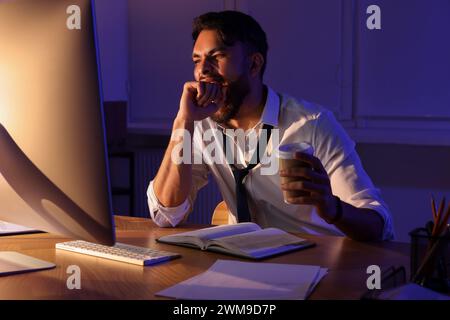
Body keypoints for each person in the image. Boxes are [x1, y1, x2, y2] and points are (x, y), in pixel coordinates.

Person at [147, 11, 394, 241]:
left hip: (316, 261)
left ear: (254, 65)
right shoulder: (202, 124)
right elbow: (168, 215)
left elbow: (380, 226)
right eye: (197, 60)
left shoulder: (312, 124)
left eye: (217, 57)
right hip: (244, 264)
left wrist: (332, 207)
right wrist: (184, 121)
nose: (202, 71)